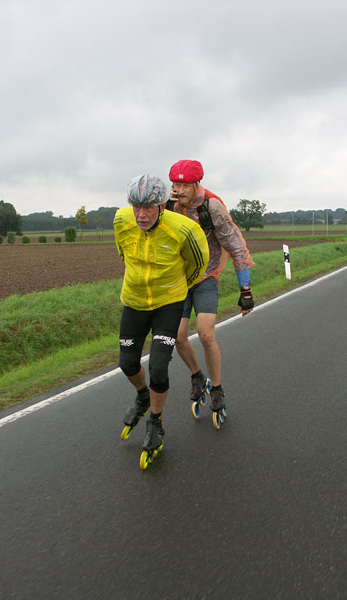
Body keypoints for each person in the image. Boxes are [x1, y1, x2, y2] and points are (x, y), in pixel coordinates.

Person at [114, 175, 209, 469]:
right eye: (136, 208)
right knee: (128, 363)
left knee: (157, 366)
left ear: (162, 206)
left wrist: (177, 290)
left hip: (168, 303)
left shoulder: (184, 230)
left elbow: (197, 266)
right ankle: (143, 397)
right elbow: (123, 253)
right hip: (135, 301)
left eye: (148, 208)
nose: (141, 215)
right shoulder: (121, 220)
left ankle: (155, 422)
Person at [166, 159, 255, 428]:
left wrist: (246, 290)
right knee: (178, 337)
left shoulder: (212, 206)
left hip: (207, 275)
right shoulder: (169, 205)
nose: (178, 190)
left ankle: (216, 389)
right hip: (180, 278)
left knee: (205, 333)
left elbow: (236, 247)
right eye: (174, 184)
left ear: (196, 185)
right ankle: (197, 376)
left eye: (183, 185)